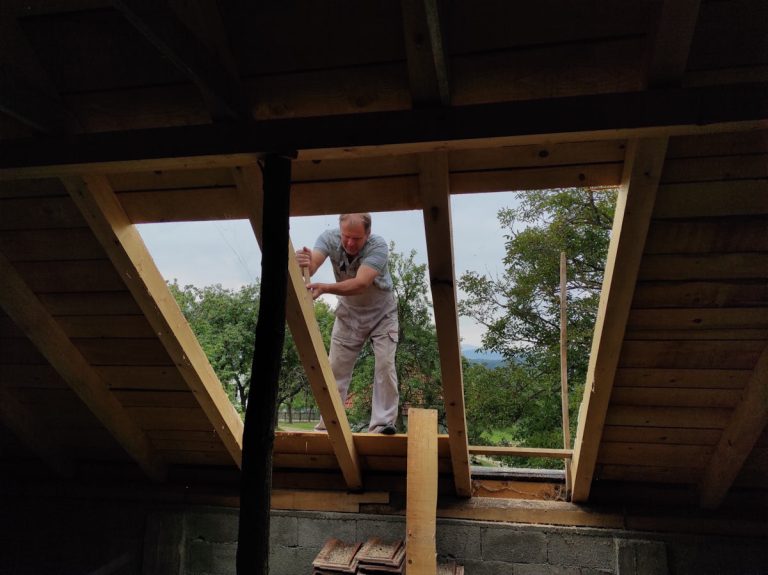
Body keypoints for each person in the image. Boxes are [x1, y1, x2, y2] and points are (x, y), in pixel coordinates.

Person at [296, 213, 399, 434]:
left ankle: (382, 424)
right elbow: (312, 266)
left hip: (382, 314)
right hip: (349, 314)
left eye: (357, 238)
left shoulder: (378, 246)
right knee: (336, 368)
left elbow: (360, 284)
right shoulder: (328, 238)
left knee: (385, 364)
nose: (350, 243)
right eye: (346, 236)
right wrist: (302, 263)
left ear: (368, 234)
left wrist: (324, 288)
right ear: (339, 230)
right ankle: (329, 423)